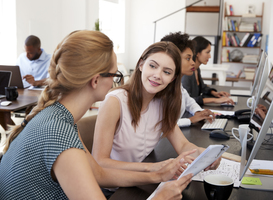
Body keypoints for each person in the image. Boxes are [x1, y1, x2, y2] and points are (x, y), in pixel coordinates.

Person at [0, 30, 194, 200]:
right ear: (95, 80)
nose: (115, 83)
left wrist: (157, 175)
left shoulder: (60, 119)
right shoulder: (60, 134)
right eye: (114, 75)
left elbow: (99, 173)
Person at [92, 41, 221, 196]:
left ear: (173, 78)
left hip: (140, 183)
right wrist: (153, 168)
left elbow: (183, 145)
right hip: (112, 190)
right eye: (153, 66)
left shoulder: (162, 103)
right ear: (141, 65)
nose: (157, 75)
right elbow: (100, 163)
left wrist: (204, 155)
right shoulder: (115, 101)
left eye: (167, 72)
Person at [161, 32, 215, 127]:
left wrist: (198, 112)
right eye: (188, 58)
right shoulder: (162, 87)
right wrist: (190, 120)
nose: (193, 63)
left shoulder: (176, 83)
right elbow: (162, 125)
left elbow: (189, 101)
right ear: (173, 59)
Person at [181, 36, 234, 106]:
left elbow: (203, 87)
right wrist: (215, 100)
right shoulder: (187, 74)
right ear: (197, 53)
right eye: (207, 52)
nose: (210, 56)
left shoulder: (197, 69)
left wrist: (215, 93)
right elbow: (188, 100)